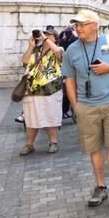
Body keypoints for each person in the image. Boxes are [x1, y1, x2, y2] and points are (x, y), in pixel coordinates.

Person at [61, 9, 109, 210]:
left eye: (82, 24)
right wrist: (76, 106)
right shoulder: (72, 50)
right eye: (76, 25)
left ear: (94, 25)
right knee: (94, 148)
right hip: (86, 106)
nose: (78, 28)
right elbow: (70, 80)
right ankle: (100, 186)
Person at [19, 28, 64, 156]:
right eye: (44, 34)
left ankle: (53, 142)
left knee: (51, 116)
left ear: (55, 38)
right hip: (32, 89)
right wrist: (30, 46)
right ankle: (30, 144)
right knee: (31, 118)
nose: (45, 36)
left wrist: (45, 39)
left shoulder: (59, 49)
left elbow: (57, 52)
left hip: (51, 89)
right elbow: (25, 61)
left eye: (49, 35)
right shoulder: (35, 51)